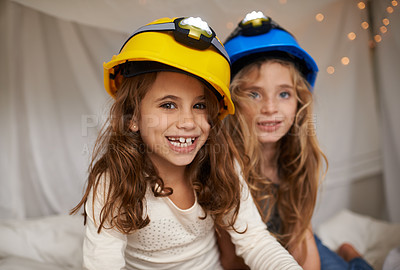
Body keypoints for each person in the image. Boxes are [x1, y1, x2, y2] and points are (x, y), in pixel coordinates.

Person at [70, 16, 301, 270]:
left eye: (199, 106)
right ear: (133, 117)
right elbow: (104, 263)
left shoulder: (221, 163)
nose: (188, 122)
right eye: (168, 105)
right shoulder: (113, 181)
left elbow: (255, 241)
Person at [218, 11, 374, 270]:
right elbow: (231, 260)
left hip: (294, 247)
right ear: (231, 101)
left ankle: (350, 253)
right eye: (254, 94)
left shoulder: (297, 155)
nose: (270, 107)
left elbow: (302, 236)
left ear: (299, 100)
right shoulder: (224, 168)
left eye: (284, 94)